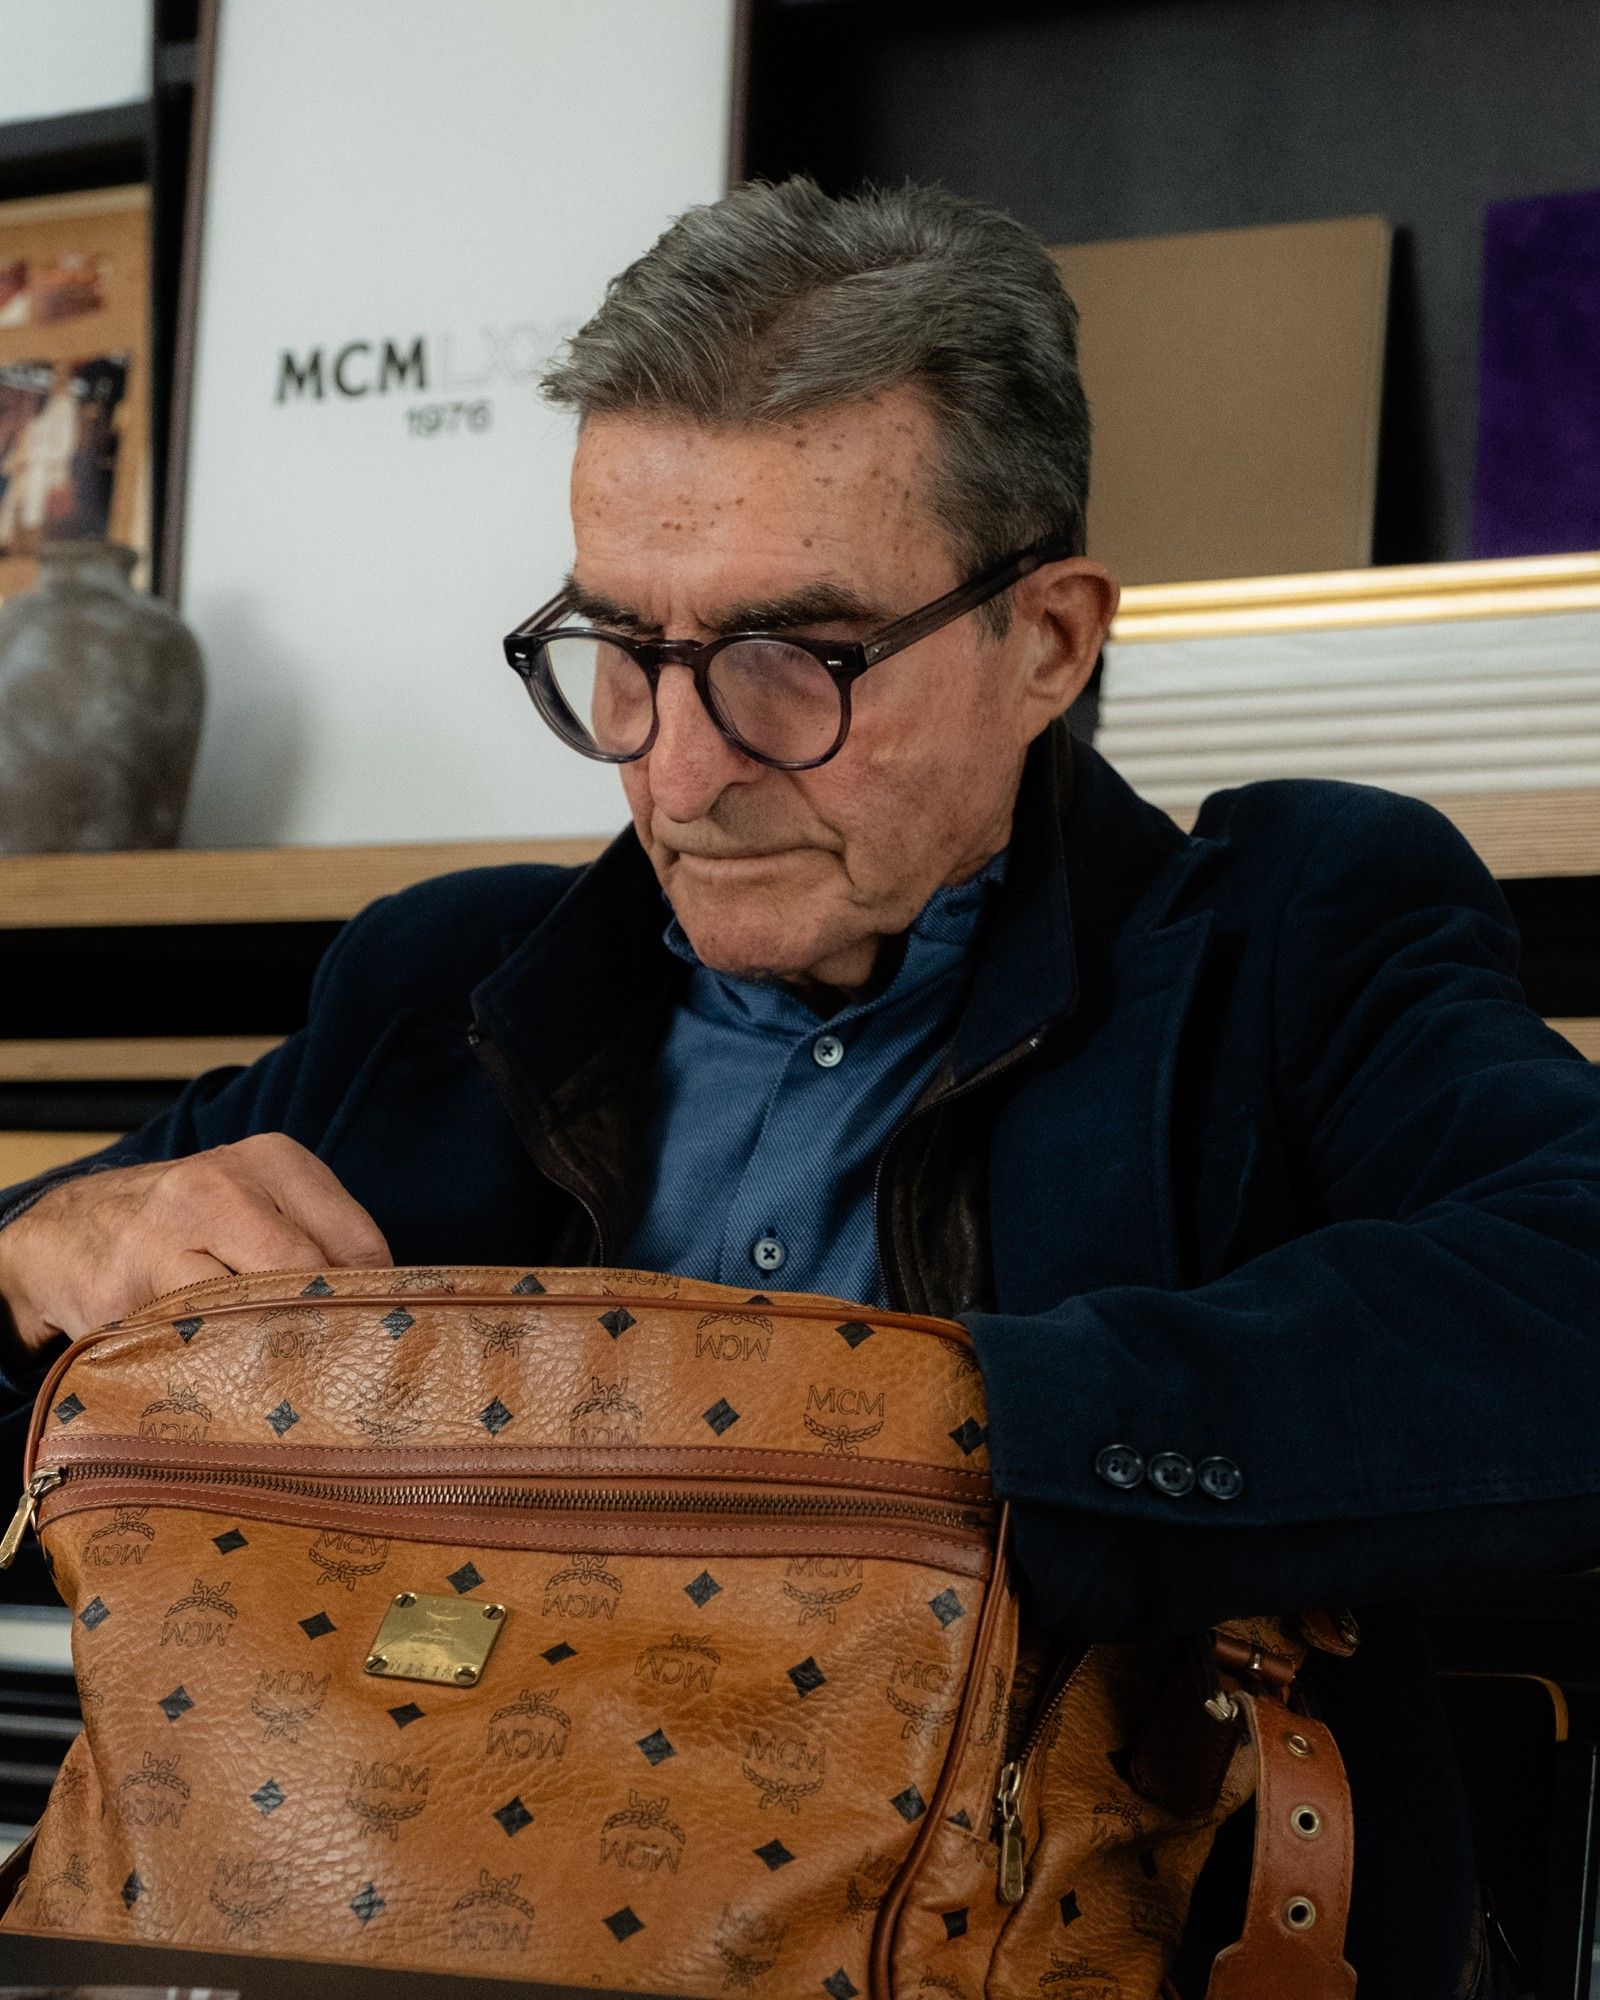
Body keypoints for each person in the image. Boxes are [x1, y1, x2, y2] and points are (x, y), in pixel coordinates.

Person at [2, 177, 1597, 1997]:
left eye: (793, 661)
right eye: (625, 650)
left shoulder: (1291, 943)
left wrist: (940, 1442)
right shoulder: (437, 982)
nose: (682, 771)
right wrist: (42, 1247)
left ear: (1050, 641)